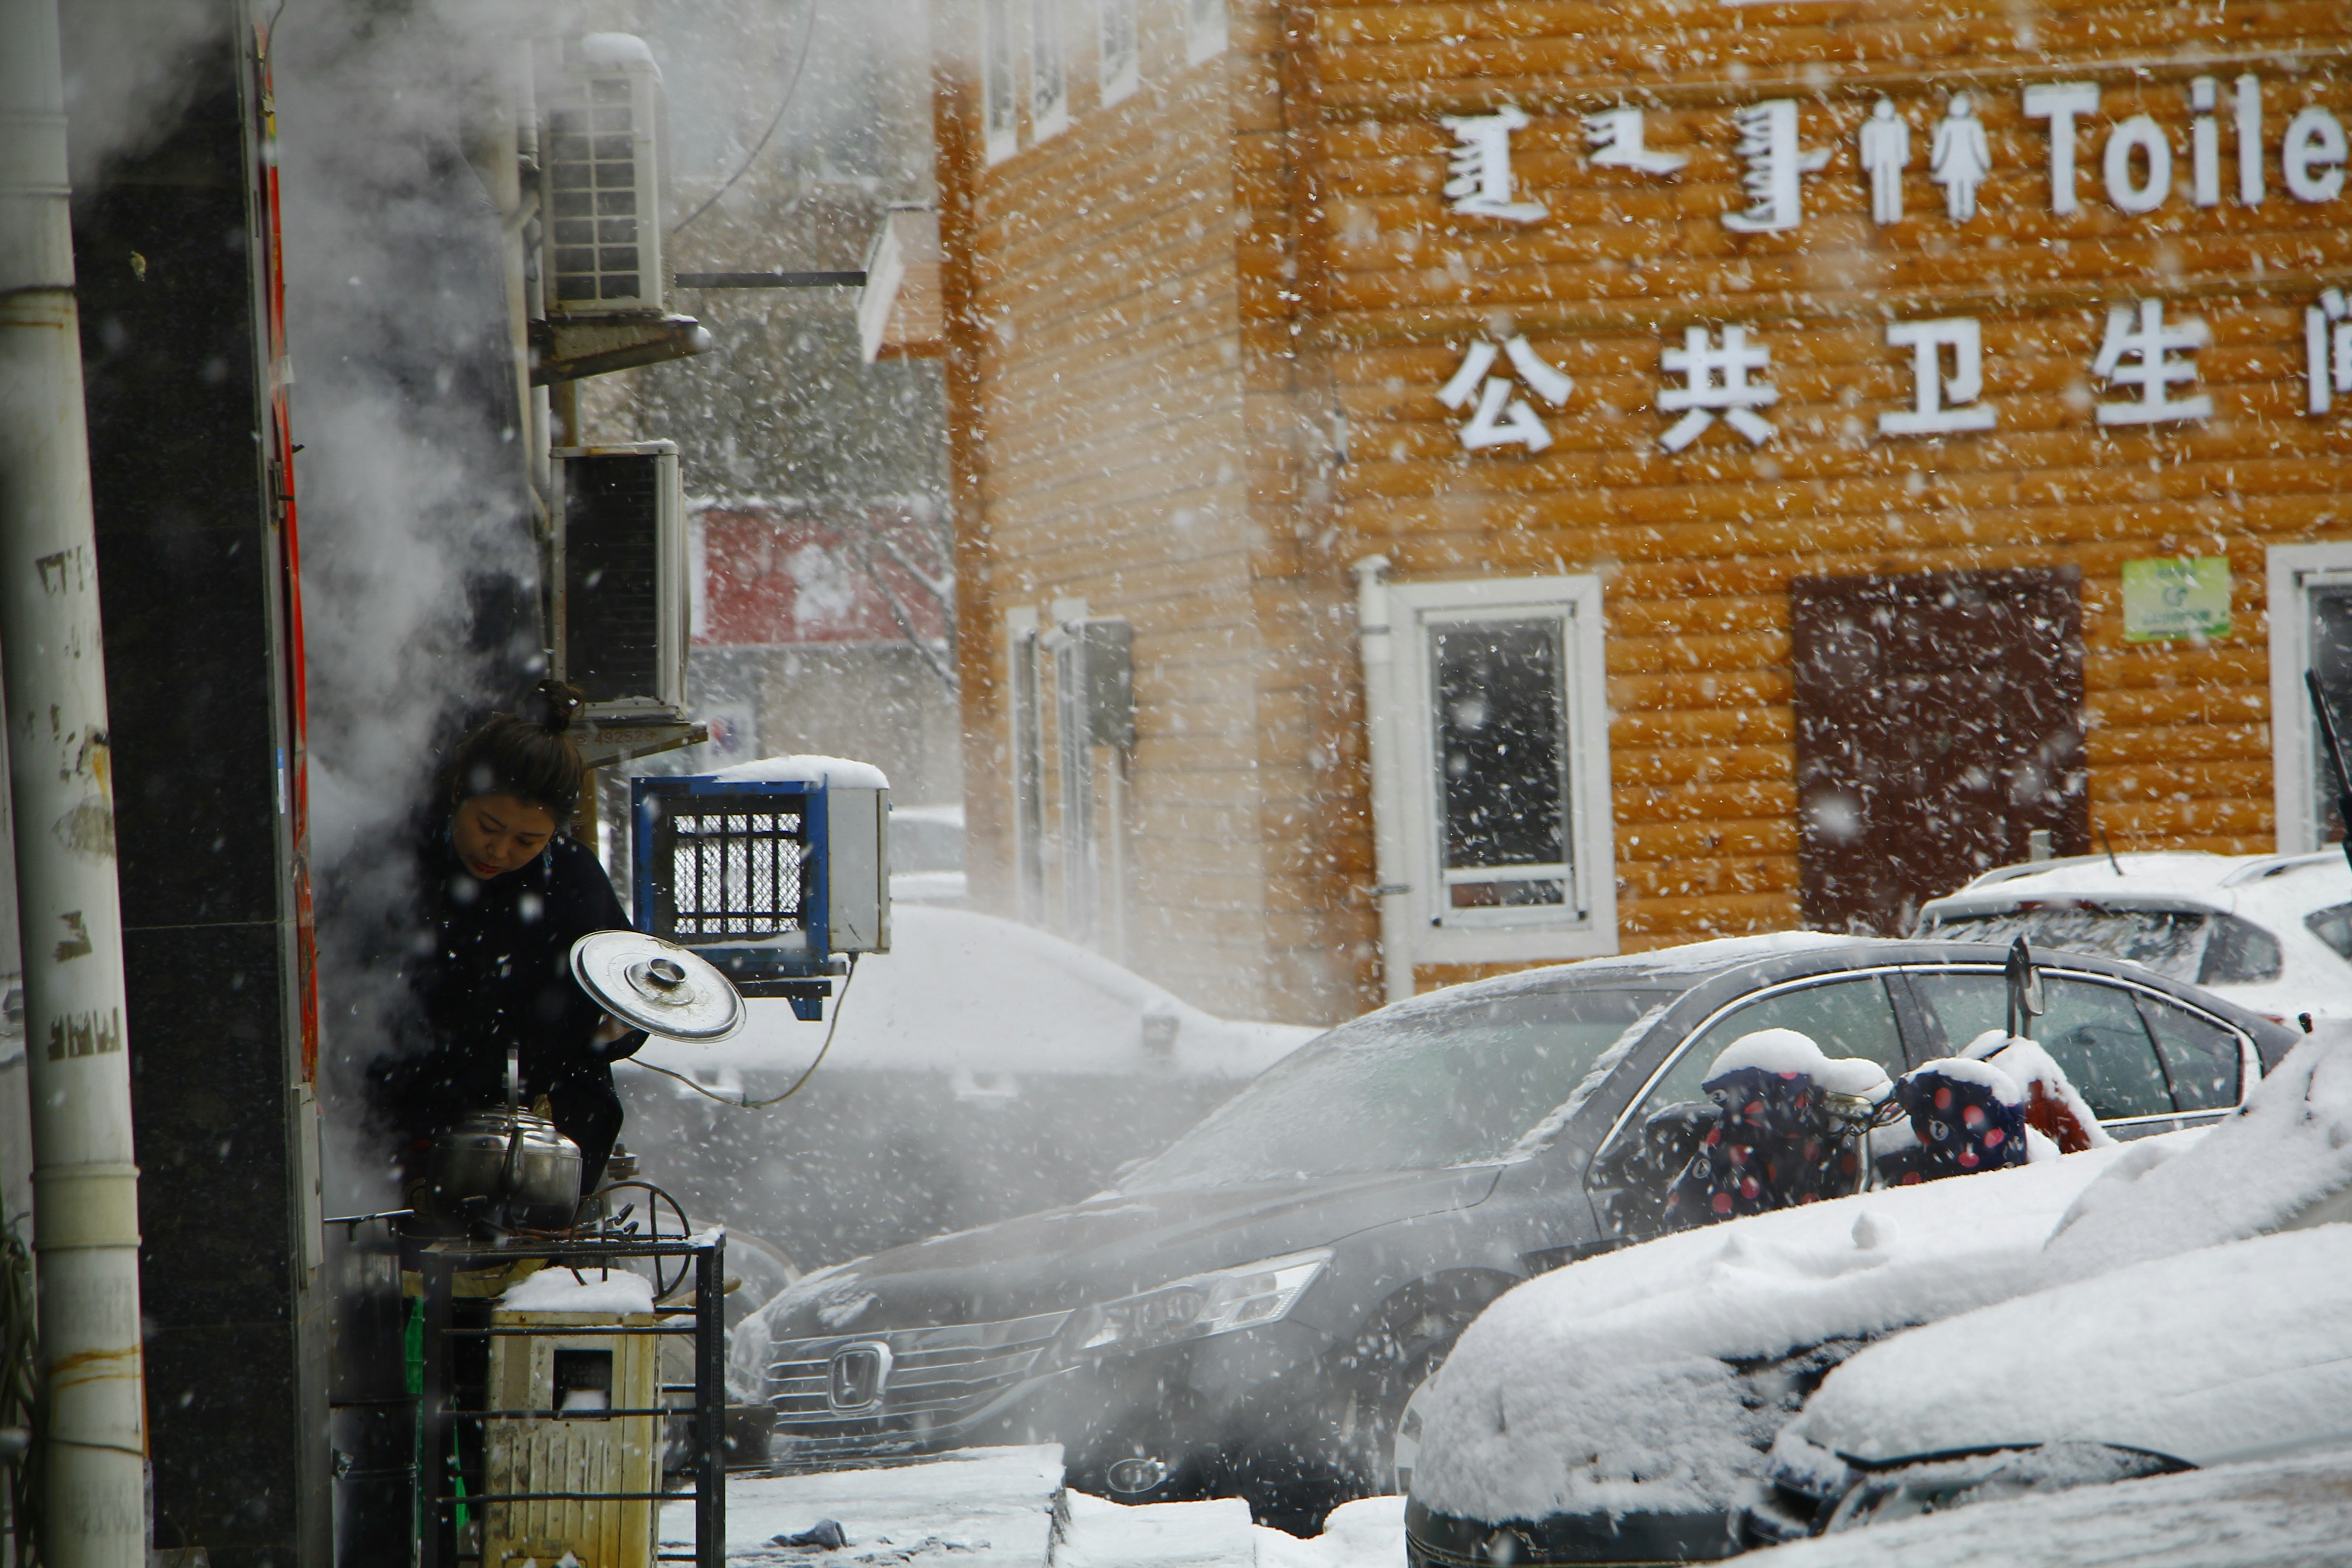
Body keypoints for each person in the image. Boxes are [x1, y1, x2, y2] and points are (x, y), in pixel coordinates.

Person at [370, 683, 644, 1216]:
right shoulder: (399, 867)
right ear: (458, 798)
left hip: (551, 1144)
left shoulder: (573, 879)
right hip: (417, 1129)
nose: (499, 851)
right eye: (488, 828)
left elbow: (628, 992)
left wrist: (618, 1030)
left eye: (528, 841)